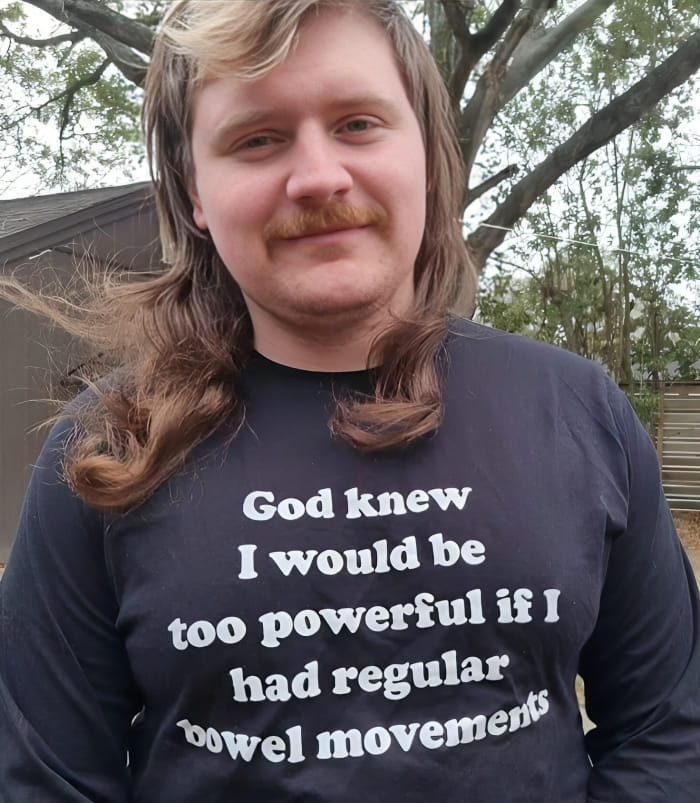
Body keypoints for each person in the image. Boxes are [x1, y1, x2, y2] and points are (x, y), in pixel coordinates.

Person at [1, 0, 698, 800]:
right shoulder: (109, 448)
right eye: (257, 139)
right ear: (197, 192)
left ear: (427, 159)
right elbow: (49, 778)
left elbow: (668, 732)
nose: (320, 175)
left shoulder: (579, 412)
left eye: (359, 123)